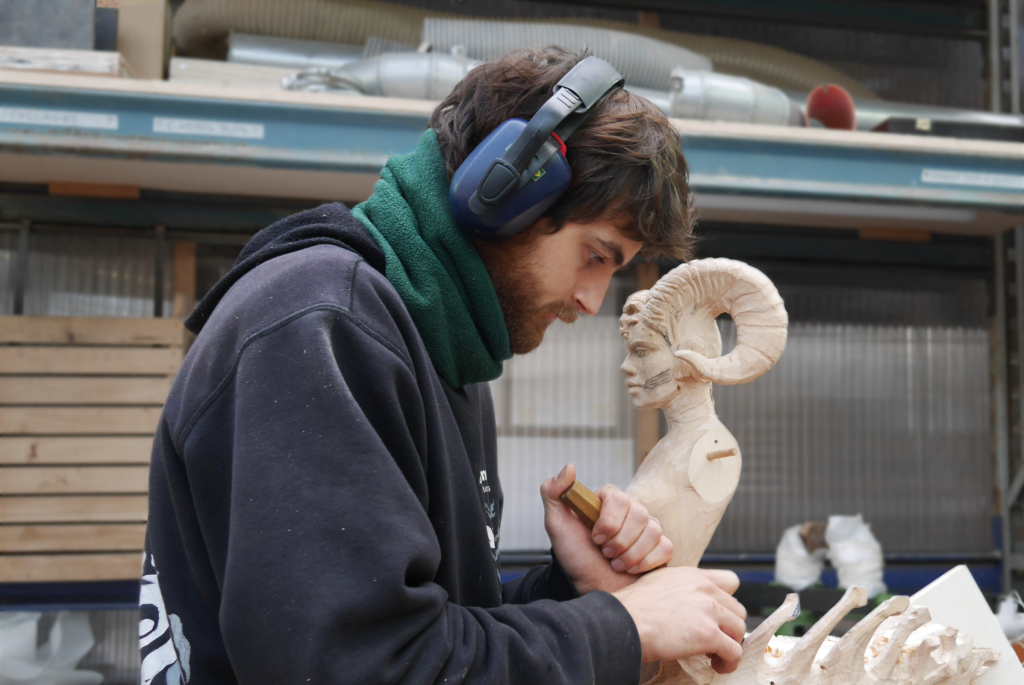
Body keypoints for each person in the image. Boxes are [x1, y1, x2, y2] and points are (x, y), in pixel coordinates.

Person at [140, 47, 748, 685]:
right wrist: (621, 626)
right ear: (504, 189)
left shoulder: (441, 356)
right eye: (595, 256)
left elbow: (441, 630)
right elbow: (365, 666)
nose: (590, 302)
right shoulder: (319, 326)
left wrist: (574, 593)